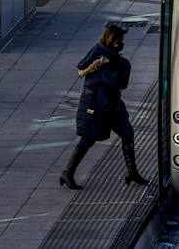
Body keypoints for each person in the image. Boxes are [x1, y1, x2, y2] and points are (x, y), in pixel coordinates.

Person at [58, 23, 148, 190]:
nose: (120, 43)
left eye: (121, 39)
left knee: (127, 134)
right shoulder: (100, 58)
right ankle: (67, 172)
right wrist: (124, 66)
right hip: (96, 107)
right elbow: (115, 81)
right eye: (118, 40)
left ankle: (132, 171)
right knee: (88, 139)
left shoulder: (109, 55)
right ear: (109, 39)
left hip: (111, 105)